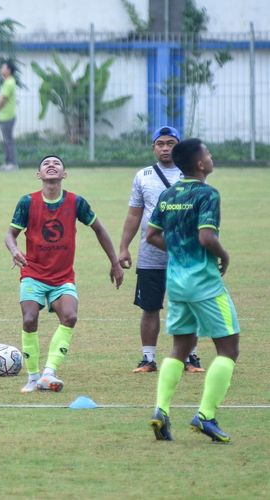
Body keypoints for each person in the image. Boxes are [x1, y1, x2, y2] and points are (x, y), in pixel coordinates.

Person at [146, 138, 239, 443]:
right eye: (209, 154)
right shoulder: (207, 194)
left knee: (180, 348)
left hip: (176, 282)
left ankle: (161, 410)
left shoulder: (169, 193)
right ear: (200, 164)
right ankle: (206, 415)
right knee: (228, 349)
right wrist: (223, 256)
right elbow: (206, 238)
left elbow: (152, 235)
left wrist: (177, 250)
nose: (212, 158)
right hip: (205, 283)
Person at [5, 155, 124, 393]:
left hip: (62, 278)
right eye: (46, 164)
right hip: (33, 273)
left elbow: (99, 229)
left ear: (64, 174)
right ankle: (32, 376)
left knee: (69, 316)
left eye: (56, 163)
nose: (51, 165)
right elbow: (9, 235)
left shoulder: (75, 202)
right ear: (38, 175)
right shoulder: (27, 202)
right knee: (29, 319)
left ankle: (49, 373)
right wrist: (15, 250)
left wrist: (115, 262)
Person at [118, 126, 204, 374]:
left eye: (171, 143)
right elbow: (134, 214)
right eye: (160, 144)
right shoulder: (142, 176)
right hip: (150, 254)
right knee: (150, 307)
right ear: (153, 147)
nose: (165, 148)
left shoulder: (192, 172)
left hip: (186, 254)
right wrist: (123, 247)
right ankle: (148, 358)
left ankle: (191, 358)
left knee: (189, 304)